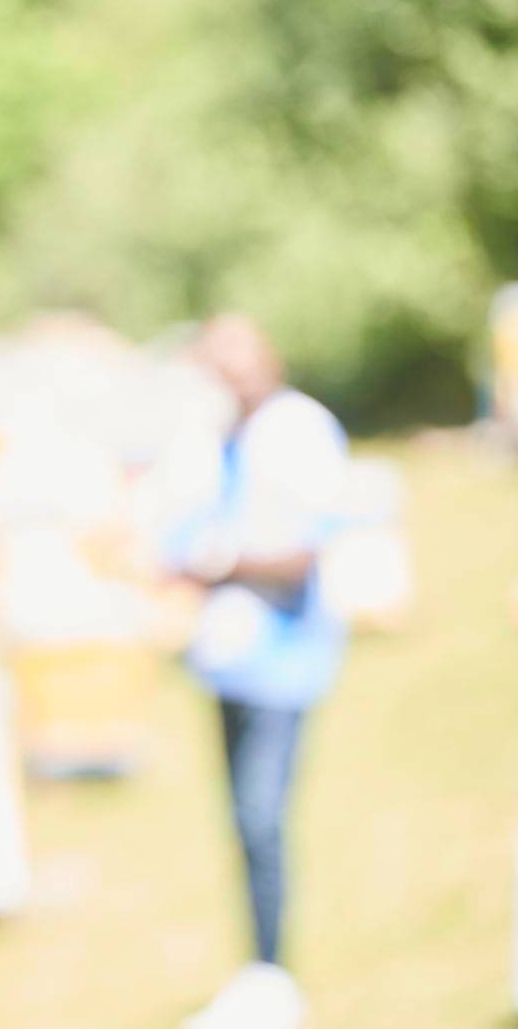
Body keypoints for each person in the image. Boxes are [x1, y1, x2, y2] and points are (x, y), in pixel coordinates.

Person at [173, 314, 350, 1029]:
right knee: (243, 825)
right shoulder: (222, 436)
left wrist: (222, 560)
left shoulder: (298, 431)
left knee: (262, 814)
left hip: (283, 658)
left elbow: (303, 548)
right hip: (229, 660)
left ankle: (275, 975)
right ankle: (260, 969)